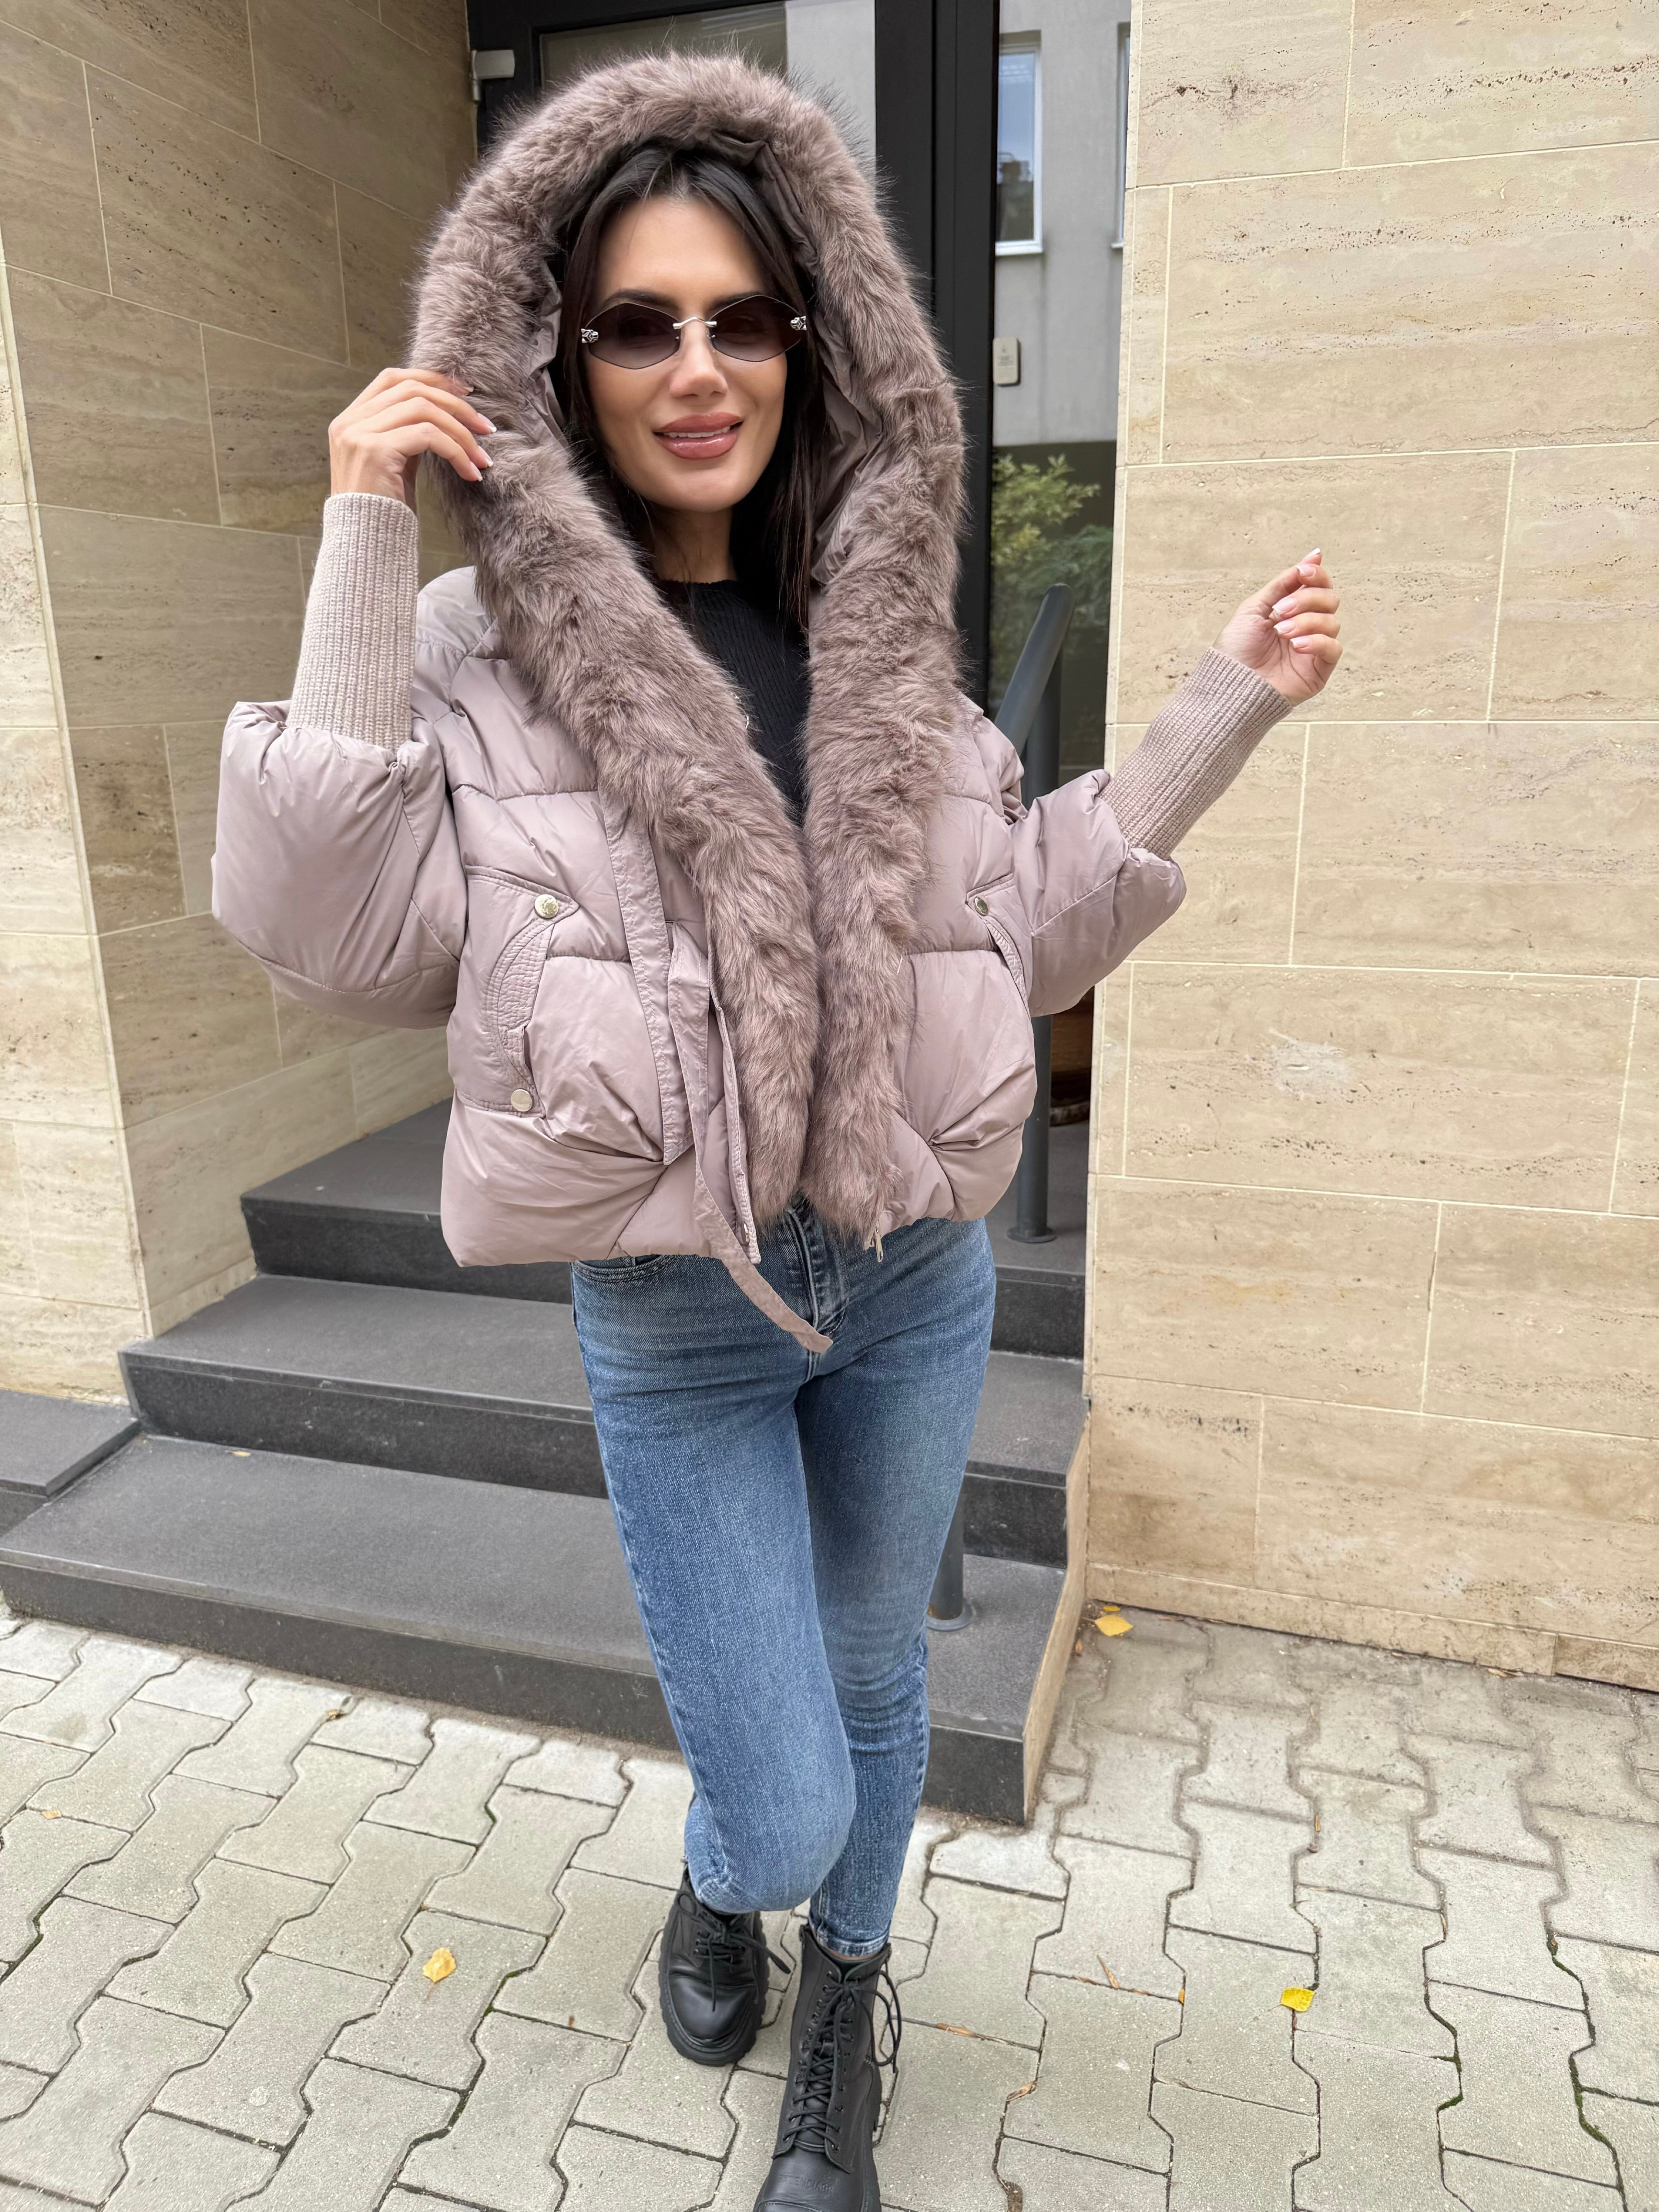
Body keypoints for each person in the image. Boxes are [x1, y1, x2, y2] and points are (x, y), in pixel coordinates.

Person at [213, 51, 1341, 2212]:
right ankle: (737, 1874)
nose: (698, 368)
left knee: (880, 1678)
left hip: (916, 1279)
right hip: (680, 1315)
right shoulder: (476, 650)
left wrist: (1227, 705)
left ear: (813, 344)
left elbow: (1020, 924)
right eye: (639, 322)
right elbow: (332, 932)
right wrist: (363, 535)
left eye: (743, 317)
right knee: (786, 1779)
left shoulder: (875, 630)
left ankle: (845, 2003)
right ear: (559, 357)